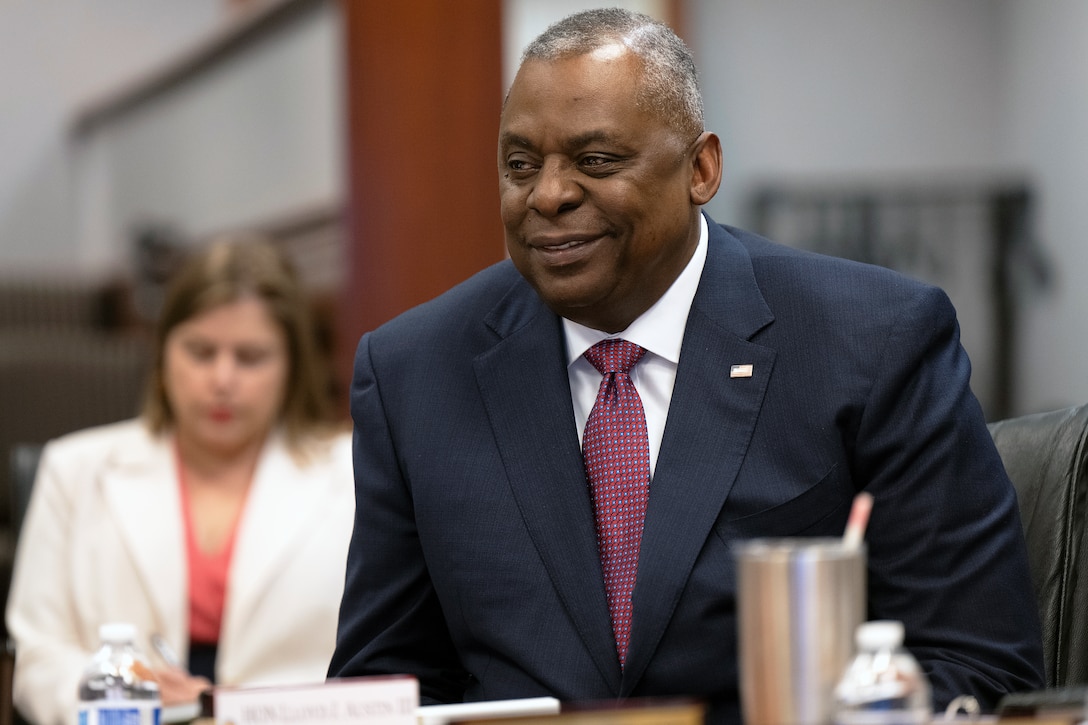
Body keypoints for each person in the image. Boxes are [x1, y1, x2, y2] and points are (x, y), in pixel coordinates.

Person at [327, 7, 1044, 723]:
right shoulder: (414, 372)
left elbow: (977, 661)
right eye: (519, 165)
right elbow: (384, 685)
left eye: (595, 161)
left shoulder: (870, 340)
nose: (547, 194)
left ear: (700, 169)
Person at [6, 235, 354, 725]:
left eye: (251, 357)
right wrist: (125, 699)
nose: (222, 380)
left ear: (292, 366)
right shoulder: (72, 469)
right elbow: (39, 660)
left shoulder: (356, 473)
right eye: (201, 352)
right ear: (162, 356)